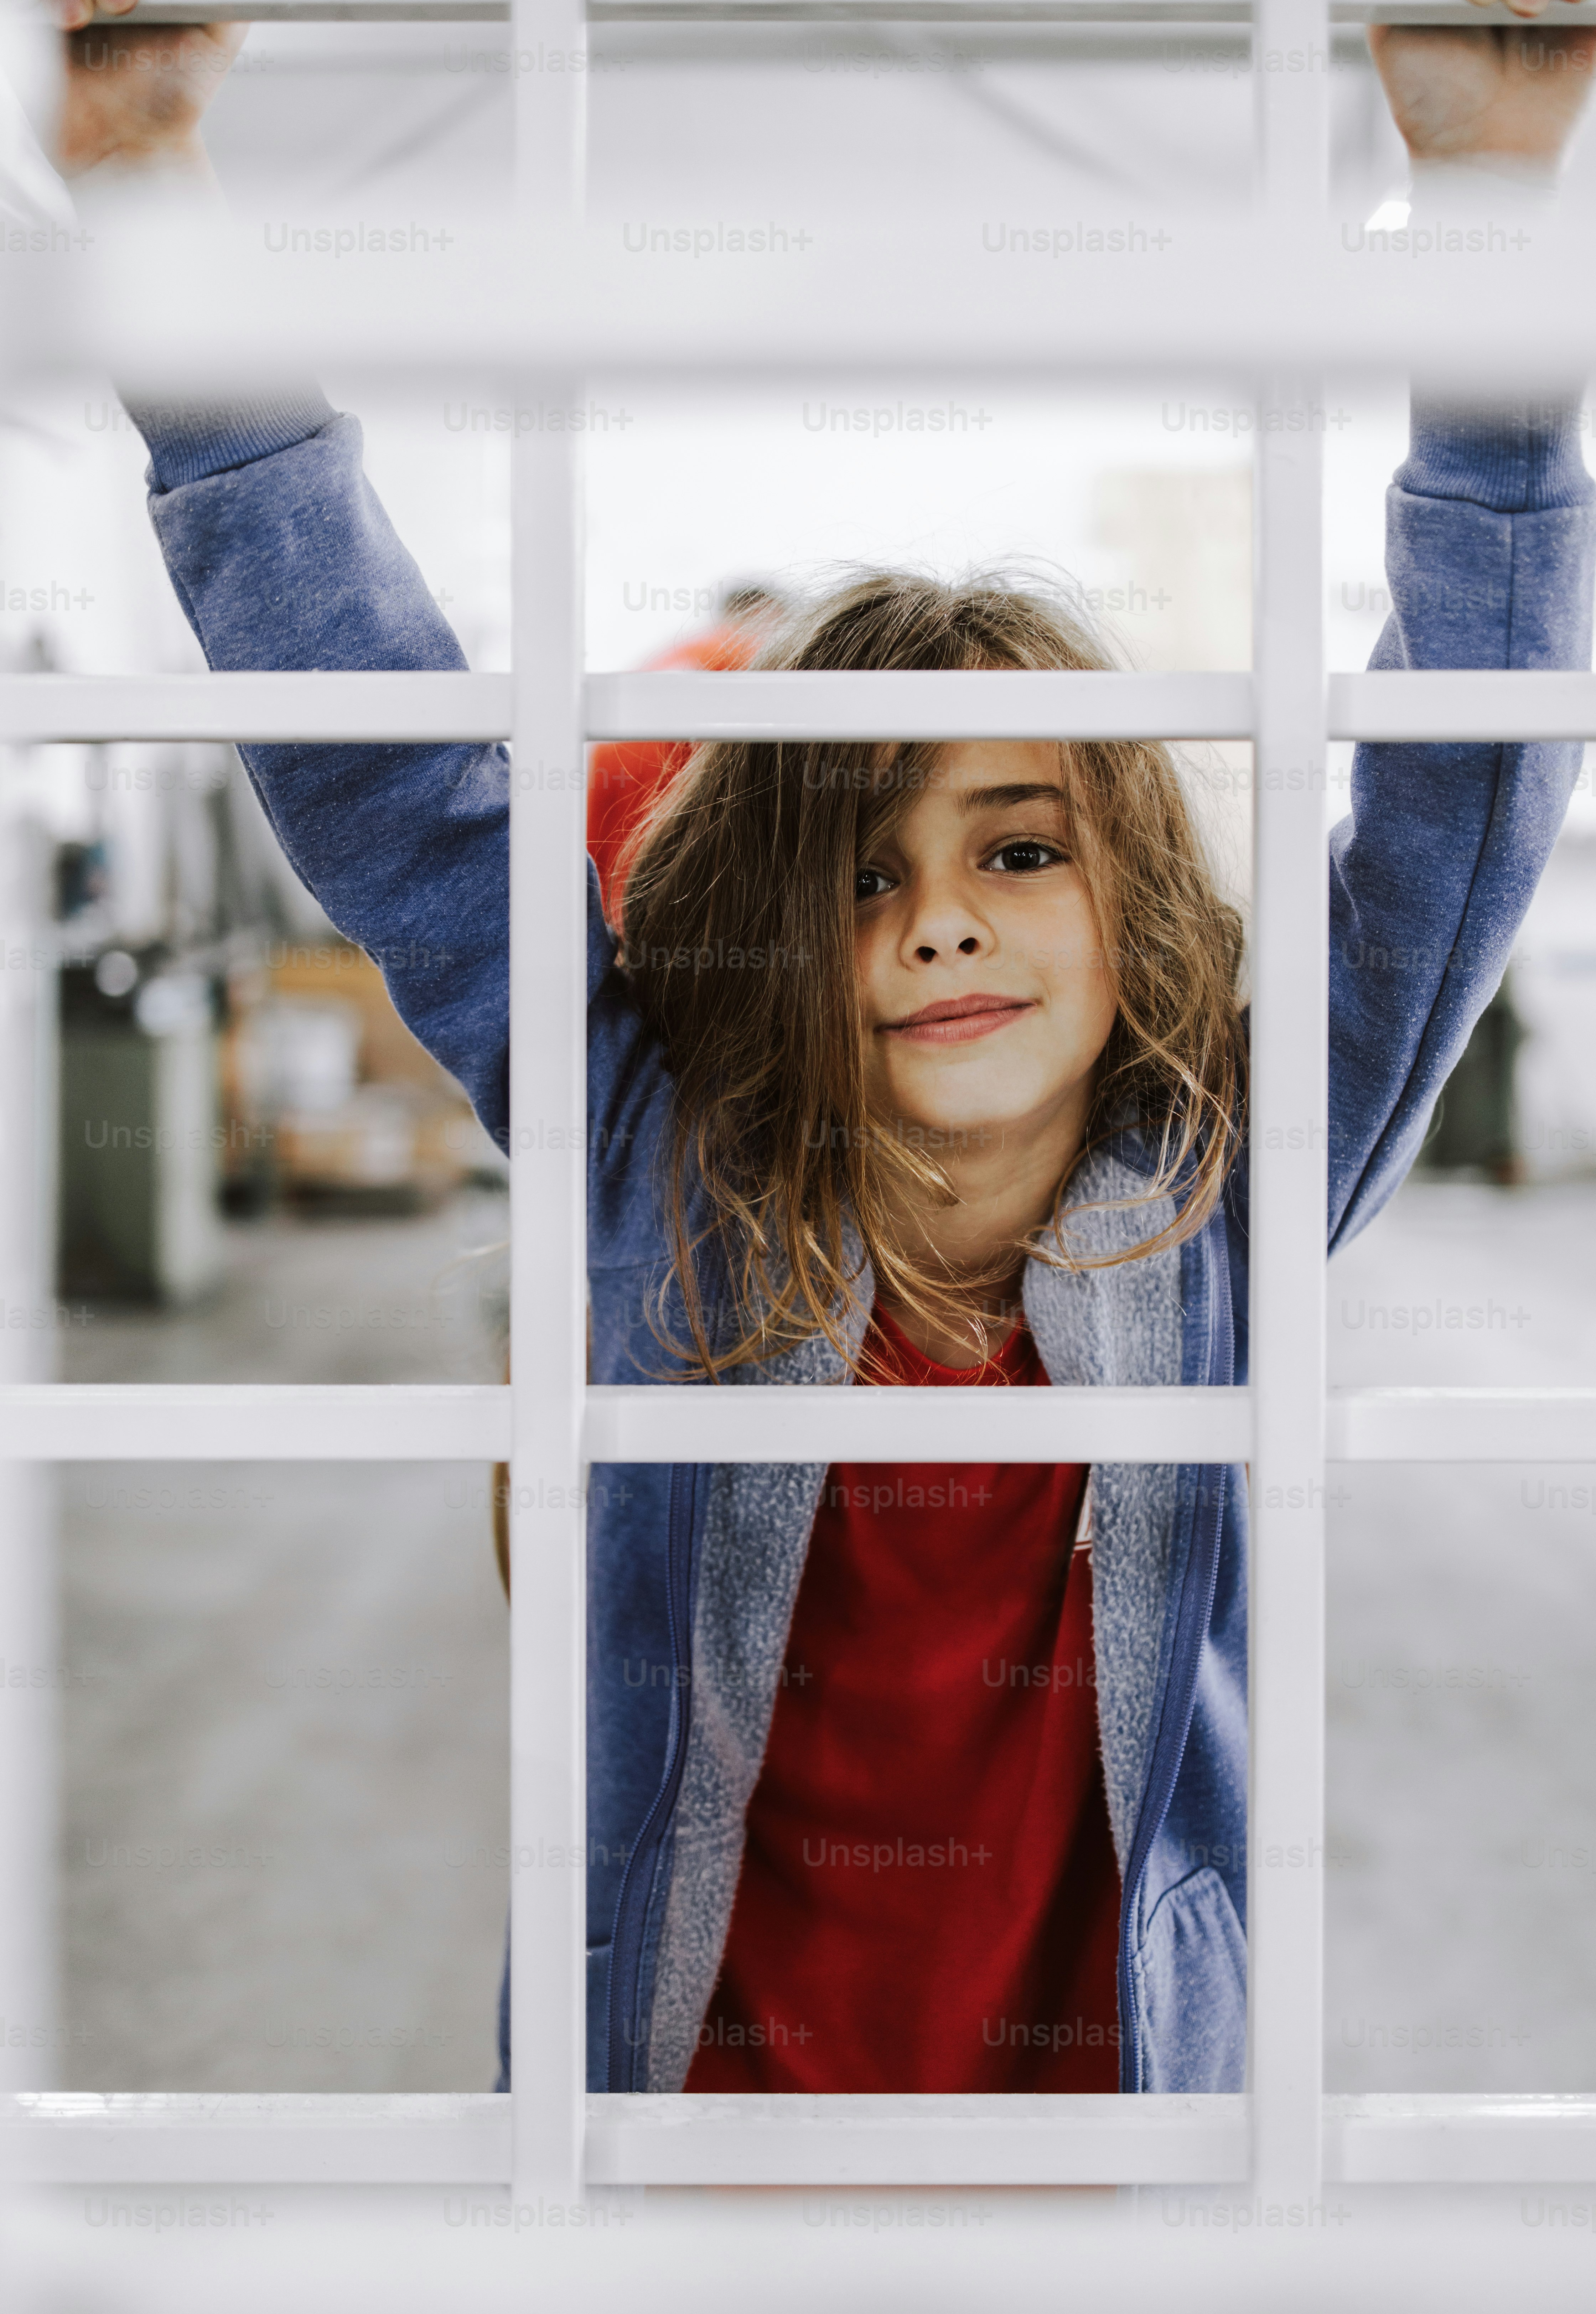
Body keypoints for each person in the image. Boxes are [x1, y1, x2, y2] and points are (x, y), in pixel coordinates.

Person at [48, 4, 1596, 2096]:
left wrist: (1485, 195)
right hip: (684, 2155)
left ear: (1128, 907)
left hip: (1111, 2173)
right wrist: (148, 186)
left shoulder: (1225, 1192)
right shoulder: (659, 1163)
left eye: (1016, 848)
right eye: (862, 872)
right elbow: (384, 757)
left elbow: (1460, 785)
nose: (940, 918)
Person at [587, 588, 786, 921]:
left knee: (611, 892)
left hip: (611, 761)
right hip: (671, 771)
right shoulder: (747, 657)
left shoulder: (673, 653)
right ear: (764, 616)